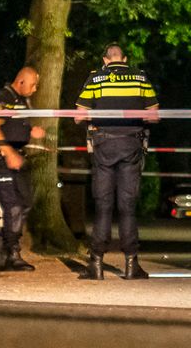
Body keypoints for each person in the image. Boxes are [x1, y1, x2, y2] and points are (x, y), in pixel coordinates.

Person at [74, 43, 159, 280]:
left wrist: (99, 113)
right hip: (131, 146)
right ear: (125, 58)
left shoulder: (96, 79)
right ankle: (132, 264)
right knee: (127, 207)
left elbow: (78, 116)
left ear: (105, 60)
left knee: (103, 206)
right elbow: (154, 116)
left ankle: (96, 263)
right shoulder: (140, 78)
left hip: (103, 147)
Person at [0, 66, 44, 272]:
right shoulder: (3, 96)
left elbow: (14, 124)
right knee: (13, 206)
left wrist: (31, 130)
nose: (35, 89)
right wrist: (9, 153)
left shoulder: (22, 100)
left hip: (17, 159)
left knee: (26, 203)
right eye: (33, 85)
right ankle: (12, 255)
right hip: (2, 160)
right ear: (21, 81)